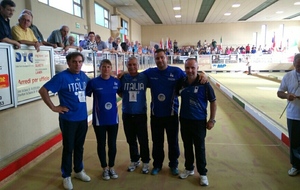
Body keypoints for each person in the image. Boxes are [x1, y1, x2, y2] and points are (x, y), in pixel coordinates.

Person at [143, 49, 207, 176]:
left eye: (162, 57)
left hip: (172, 114)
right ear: (154, 60)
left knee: (173, 142)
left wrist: (203, 74)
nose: (160, 60)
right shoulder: (150, 72)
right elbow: (136, 75)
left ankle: (174, 165)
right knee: (157, 142)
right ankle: (157, 165)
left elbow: (191, 77)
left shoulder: (177, 72)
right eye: (157, 58)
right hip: (156, 114)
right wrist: (125, 72)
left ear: (166, 58)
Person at [39, 52, 91, 190]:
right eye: (74, 61)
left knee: (79, 147)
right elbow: (43, 90)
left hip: (82, 119)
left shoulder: (83, 76)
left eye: (80, 61)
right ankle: (66, 176)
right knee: (69, 148)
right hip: (68, 119)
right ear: (68, 63)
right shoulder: (62, 77)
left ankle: (79, 170)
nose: (77, 64)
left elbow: (94, 86)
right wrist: (53, 107)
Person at [176, 58, 217, 186]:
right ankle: (189, 169)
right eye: (187, 68)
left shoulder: (204, 83)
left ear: (197, 68)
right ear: (184, 69)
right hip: (184, 119)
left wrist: (212, 119)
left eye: (193, 68)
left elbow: (213, 101)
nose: (190, 70)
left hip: (199, 121)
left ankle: (203, 173)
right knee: (187, 146)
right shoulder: (182, 82)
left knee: (199, 147)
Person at [86, 59, 121, 180]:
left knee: (112, 144)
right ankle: (104, 168)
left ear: (111, 68)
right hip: (99, 120)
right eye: (103, 67)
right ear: (100, 68)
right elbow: (83, 94)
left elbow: (122, 94)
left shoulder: (116, 82)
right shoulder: (93, 82)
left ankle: (111, 167)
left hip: (113, 120)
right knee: (101, 144)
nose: (106, 69)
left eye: (108, 67)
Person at [119, 56, 150, 174]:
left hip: (140, 114)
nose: (132, 67)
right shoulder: (123, 78)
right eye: (130, 65)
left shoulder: (144, 77)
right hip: (127, 114)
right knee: (131, 140)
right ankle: (134, 160)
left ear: (138, 65)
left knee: (143, 140)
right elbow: (120, 92)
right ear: (127, 66)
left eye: (134, 64)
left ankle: (146, 161)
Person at [277, 53, 300, 176]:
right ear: (294, 64)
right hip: (293, 115)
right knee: (295, 143)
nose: (299, 67)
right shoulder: (288, 76)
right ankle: (296, 165)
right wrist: (287, 96)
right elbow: (279, 92)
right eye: (298, 65)